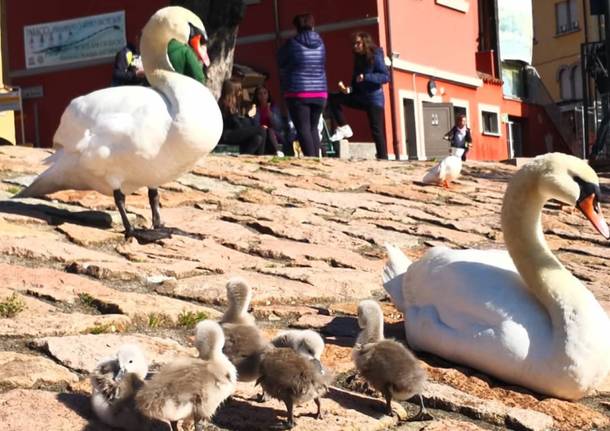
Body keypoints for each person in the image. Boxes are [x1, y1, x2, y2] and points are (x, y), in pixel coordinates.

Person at [328, 32, 390, 159]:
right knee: (334, 98)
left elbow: (385, 77)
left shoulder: (376, 55)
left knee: (376, 130)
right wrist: (348, 89)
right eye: (354, 43)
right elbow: (355, 82)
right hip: (360, 96)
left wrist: (367, 77)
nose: (355, 46)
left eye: (358, 43)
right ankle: (344, 127)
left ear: (365, 43)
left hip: (374, 99)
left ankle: (383, 158)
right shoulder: (358, 58)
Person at [278, 13, 327, 157]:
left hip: (298, 91)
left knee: (303, 128)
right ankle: (316, 158)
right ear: (313, 25)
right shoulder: (321, 43)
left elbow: (280, 61)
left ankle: (311, 159)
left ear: (296, 27)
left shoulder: (292, 43)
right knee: (313, 128)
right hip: (320, 92)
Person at [218, 80, 282, 156]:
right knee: (262, 129)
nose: (240, 93)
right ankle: (261, 156)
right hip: (227, 134)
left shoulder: (235, 103)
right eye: (239, 90)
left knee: (257, 138)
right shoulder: (224, 104)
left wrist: (246, 117)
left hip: (236, 131)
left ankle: (245, 157)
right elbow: (233, 123)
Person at [252, 85, 287, 154]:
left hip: (275, 134)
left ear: (268, 94)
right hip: (261, 133)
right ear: (256, 96)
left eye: (265, 93)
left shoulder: (274, 107)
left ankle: (278, 151)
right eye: (260, 94)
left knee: (270, 131)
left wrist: (270, 114)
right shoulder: (254, 109)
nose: (263, 96)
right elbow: (255, 125)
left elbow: (279, 126)